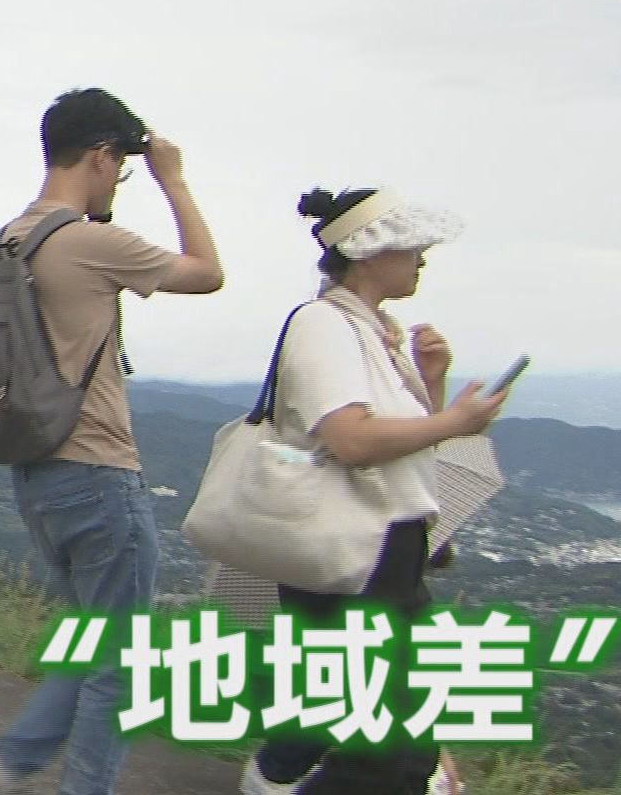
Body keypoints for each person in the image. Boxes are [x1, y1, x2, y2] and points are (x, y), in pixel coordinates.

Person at [0, 88, 223, 795]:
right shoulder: (89, 243)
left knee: (95, 639)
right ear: (101, 156)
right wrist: (173, 181)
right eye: (120, 167)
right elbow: (208, 272)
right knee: (120, 663)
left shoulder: (10, 238)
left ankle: (6, 763)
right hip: (98, 472)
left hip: (36, 473)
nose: (120, 179)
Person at [238, 188, 508, 795]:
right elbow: (350, 439)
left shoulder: (371, 332)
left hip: (379, 544)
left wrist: (430, 385)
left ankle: (275, 776)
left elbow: (398, 445)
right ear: (369, 251)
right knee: (394, 745)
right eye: (410, 247)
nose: (421, 259)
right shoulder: (324, 325)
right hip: (356, 545)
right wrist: (455, 421)